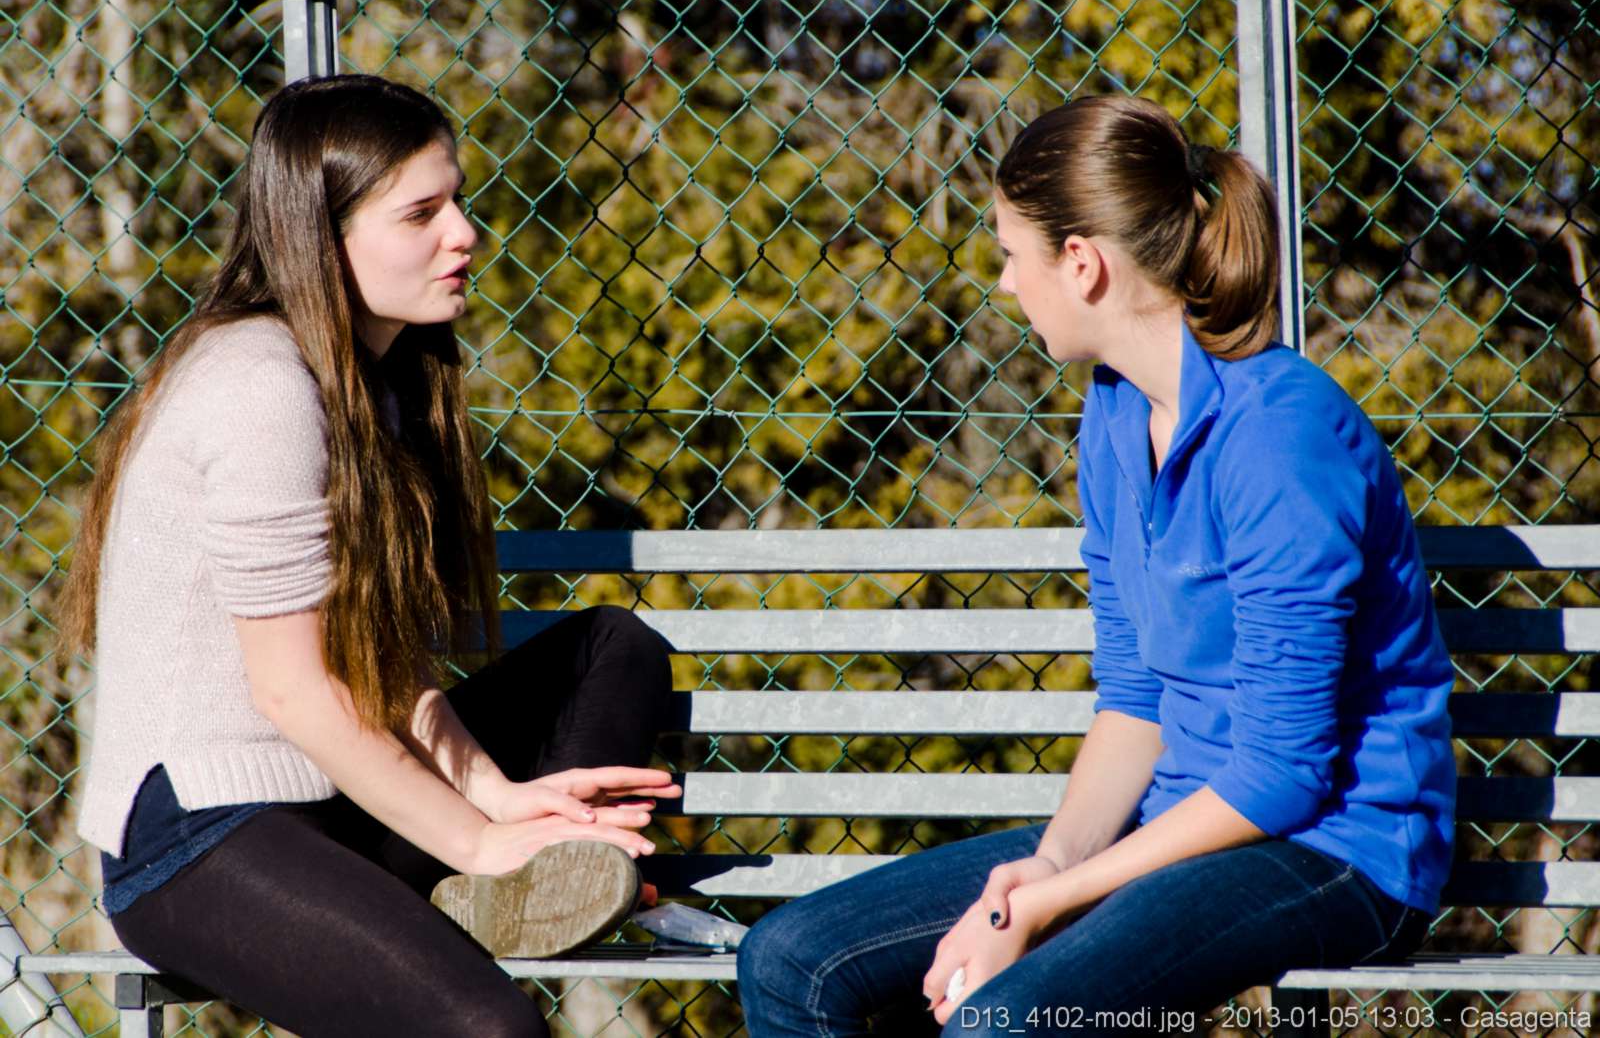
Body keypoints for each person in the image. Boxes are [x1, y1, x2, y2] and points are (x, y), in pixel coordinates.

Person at [735, 95, 1456, 1036]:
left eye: (1011, 254)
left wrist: (1048, 904)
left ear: (1081, 263)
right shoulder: (1114, 413)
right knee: (790, 961)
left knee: (1000, 1023)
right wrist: (1050, 865)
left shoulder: (1281, 437)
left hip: (1335, 848)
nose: (1005, 283)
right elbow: (1134, 700)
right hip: (1177, 817)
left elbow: (1284, 773)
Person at [59, 74, 680, 1038]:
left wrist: (497, 797)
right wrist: (478, 840)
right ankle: (491, 888)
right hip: (200, 839)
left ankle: (532, 887)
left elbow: (378, 663)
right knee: (490, 1030)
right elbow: (295, 693)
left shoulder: (373, 385)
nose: (465, 233)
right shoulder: (259, 386)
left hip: (334, 799)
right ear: (324, 236)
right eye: (421, 214)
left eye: (458, 201)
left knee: (613, 648)